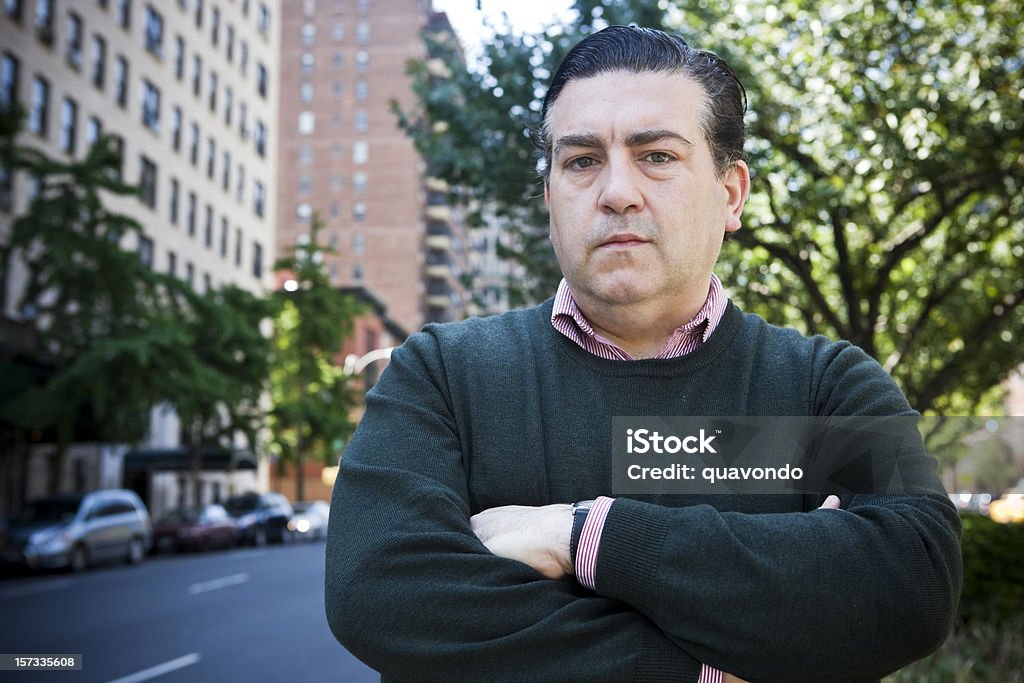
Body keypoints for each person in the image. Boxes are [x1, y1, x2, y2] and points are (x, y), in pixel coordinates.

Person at [325, 26, 961, 683]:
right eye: (581, 161)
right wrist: (700, 668)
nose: (616, 191)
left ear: (731, 192)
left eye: (656, 155)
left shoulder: (823, 387)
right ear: (548, 197)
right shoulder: (442, 377)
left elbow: (911, 580)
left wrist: (583, 536)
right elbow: (381, 591)